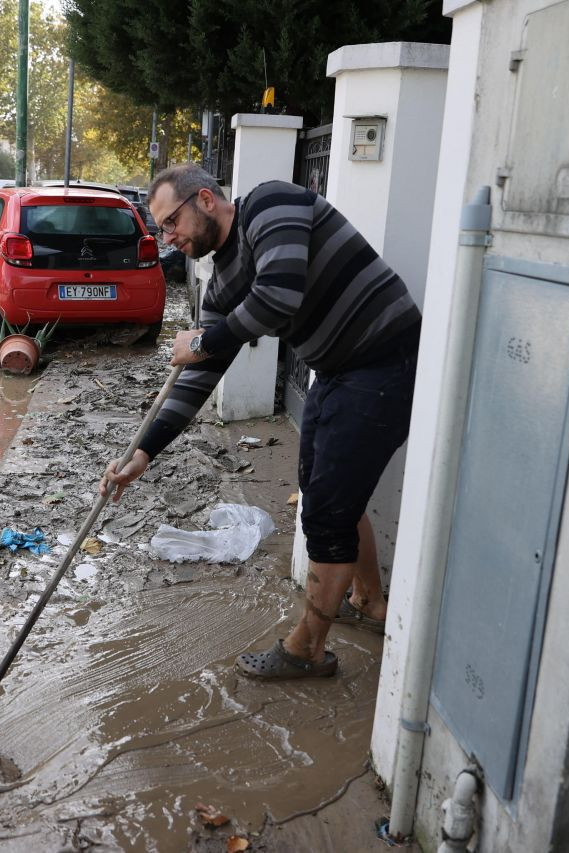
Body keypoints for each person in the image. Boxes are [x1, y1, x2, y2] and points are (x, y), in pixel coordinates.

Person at [99, 164, 420, 680]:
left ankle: (307, 651)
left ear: (205, 199)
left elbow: (278, 295)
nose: (167, 237)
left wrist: (203, 340)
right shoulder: (221, 284)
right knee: (320, 489)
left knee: (327, 513)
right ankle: (368, 599)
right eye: (160, 228)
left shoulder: (271, 206)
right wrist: (144, 451)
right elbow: (198, 376)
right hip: (337, 370)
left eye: (170, 222)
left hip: (387, 359)